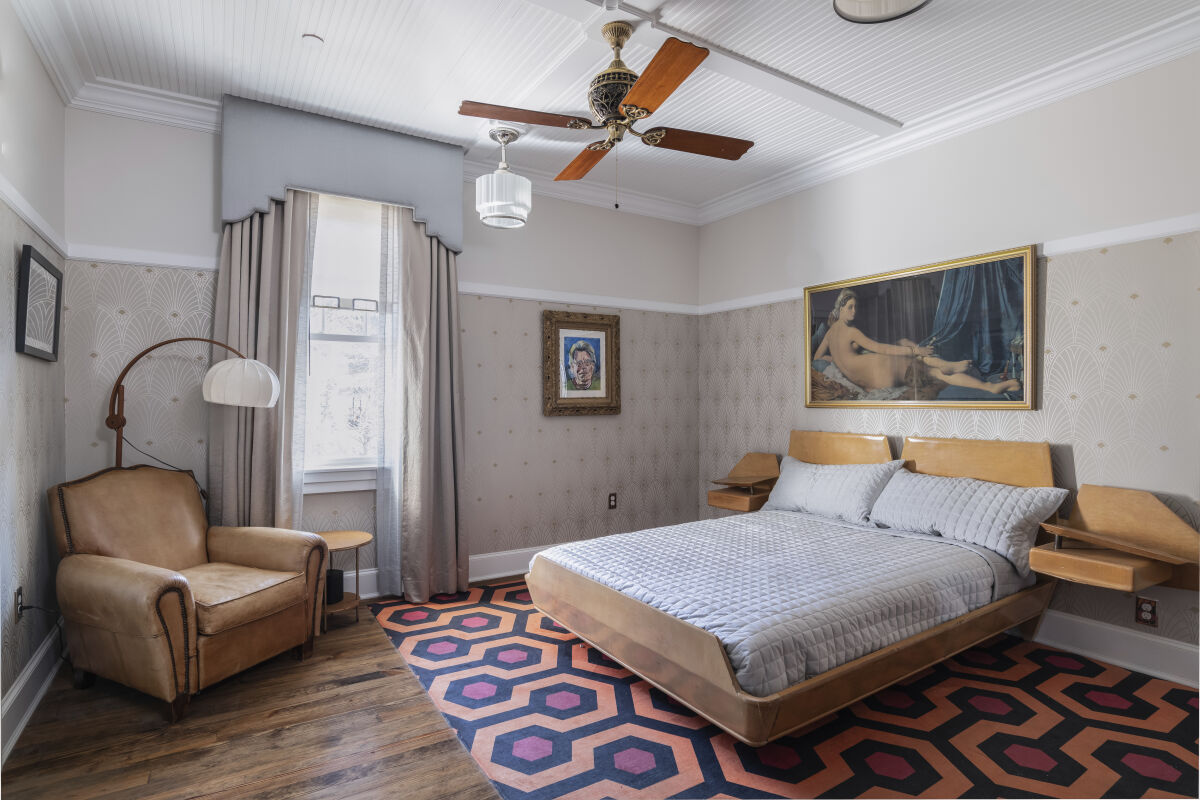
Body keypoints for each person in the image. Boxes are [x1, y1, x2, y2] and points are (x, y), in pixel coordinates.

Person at [813, 288, 1021, 395]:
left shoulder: (830, 335)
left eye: (855, 307)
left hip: (873, 381)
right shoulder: (852, 332)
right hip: (885, 372)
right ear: (840, 308)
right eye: (850, 307)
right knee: (934, 371)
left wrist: (836, 360)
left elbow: (817, 357)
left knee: (905, 344)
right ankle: (987, 386)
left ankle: (942, 363)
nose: (854, 312)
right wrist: (916, 351)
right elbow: (881, 348)